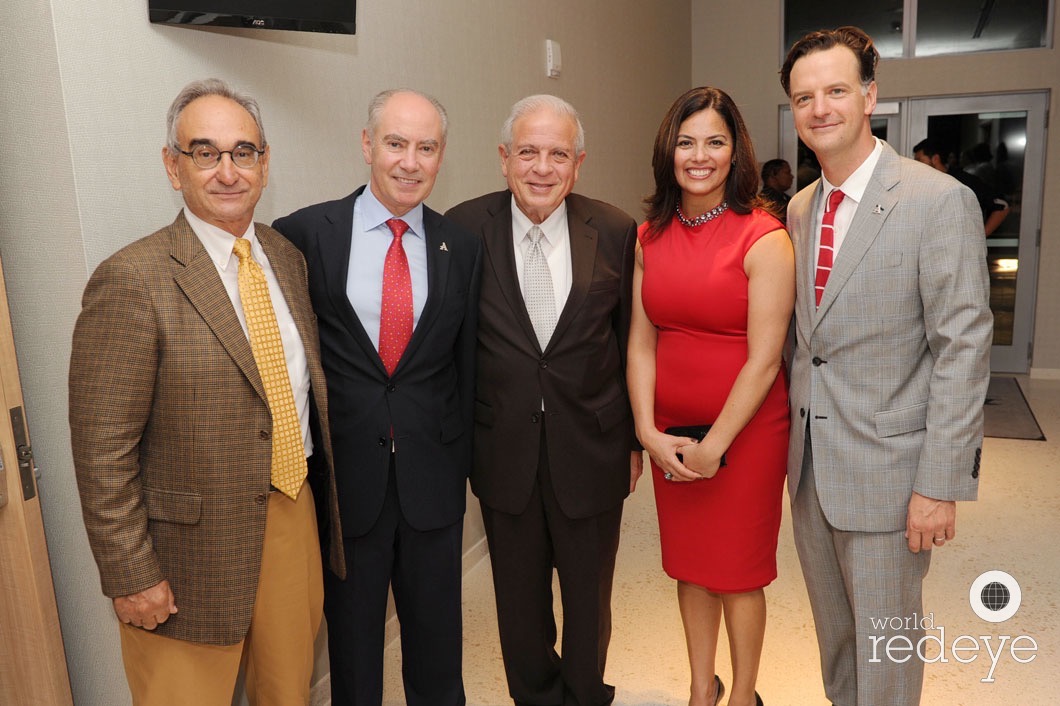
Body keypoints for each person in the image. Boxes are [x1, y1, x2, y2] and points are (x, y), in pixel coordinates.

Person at [69, 78, 344, 705]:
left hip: (288, 513)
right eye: (205, 152)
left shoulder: (284, 256)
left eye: (243, 152)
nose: (228, 171)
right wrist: (132, 572)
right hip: (183, 555)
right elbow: (100, 449)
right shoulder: (131, 279)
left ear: (265, 163)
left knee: (288, 694)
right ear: (174, 166)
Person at [780, 27, 992, 706]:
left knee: (887, 649)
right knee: (838, 641)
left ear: (870, 95)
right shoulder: (800, 207)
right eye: (804, 96)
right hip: (812, 469)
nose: (820, 109)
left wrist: (940, 482)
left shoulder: (937, 201)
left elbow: (962, 346)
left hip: (893, 478)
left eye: (836, 90)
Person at [272, 89, 481, 706]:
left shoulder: (461, 247)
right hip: (345, 479)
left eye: (426, 147)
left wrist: (461, 463)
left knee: (438, 642)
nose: (409, 162)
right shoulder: (305, 235)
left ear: (442, 156)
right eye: (395, 143)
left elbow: (464, 366)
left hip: (433, 477)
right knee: (354, 647)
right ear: (367, 145)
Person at [446, 95, 640, 706]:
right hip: (502, 449)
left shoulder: (613, 230)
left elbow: (631, 342)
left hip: (593, 447)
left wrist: (634, 441)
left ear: (578, 164)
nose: (542, 167)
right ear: (504, 159)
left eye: (558, 154)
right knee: (519, 606)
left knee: (590, 601)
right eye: (527, 152)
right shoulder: (461, 229)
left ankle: (584, 695)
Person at [626, 86, 794, 706]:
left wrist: (716, 445)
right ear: (668, 150)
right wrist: (646, 430)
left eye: (715, 142)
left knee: (739, 574)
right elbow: (641, 343)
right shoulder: (648, 236)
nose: (699, 155)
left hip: (745, 433)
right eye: (686, 141)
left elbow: (765, 358)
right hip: (673, 430)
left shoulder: (764, 236)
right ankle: (702, 689)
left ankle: (744, 694)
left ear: (735, 152)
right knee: (691, 568)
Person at [913, 138, 1010, 235]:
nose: (916, 165)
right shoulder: (921, 184)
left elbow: (1002, 206)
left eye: (919, 160)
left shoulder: (963, 181)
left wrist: (981, 237)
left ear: (935, 159)